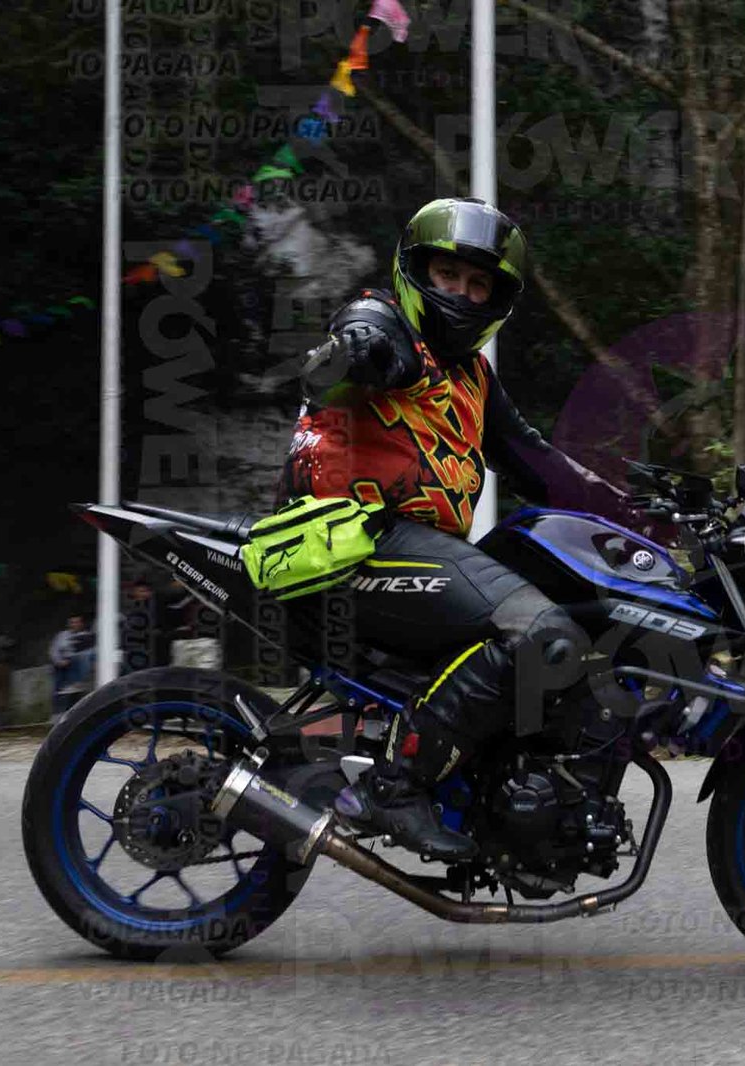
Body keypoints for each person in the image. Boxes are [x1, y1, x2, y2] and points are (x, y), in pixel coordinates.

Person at [277, 197, 641, 862]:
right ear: (415, 272)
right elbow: (341, 360)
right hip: (345, 543)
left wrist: (635, 509)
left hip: (411, 552)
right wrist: (357, 354)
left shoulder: (472, 376)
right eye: (447, 275)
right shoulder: (381, 320)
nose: (462, 295)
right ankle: (396, 785)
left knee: (566, 621)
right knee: (542, 634)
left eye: (479, 285)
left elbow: (534, 461)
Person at [48, 615, 94, 717]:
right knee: (58, 685)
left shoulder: (86, 636)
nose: (74, 625)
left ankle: (75, 710)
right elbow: (53, 651)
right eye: (72, 622)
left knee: (80, 658)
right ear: (68, 624)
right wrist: (59, 661)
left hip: (76, 662)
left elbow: (88, 652)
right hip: (61, 663)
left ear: (81, 624)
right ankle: (57, 713)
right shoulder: (62, 635)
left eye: (77, 622)